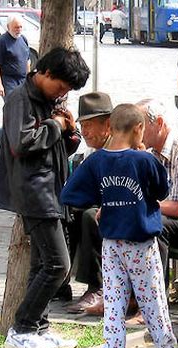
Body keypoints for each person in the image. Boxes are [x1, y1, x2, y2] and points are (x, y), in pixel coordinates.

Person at [60, 104, 178, 348]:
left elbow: (70, 193)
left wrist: (104, 200)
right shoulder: (144, 161)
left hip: (111, 244)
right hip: (141, 245)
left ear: (110, 128)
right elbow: (161, 191)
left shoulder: (97, 161)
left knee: (114, 306)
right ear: (138, 129)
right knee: (154, 303)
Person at [0, 47, 90, 348]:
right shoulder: (20, 98)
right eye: (61, 86)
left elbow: (59, 148)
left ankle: (39, 328)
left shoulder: (49, 100)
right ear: (44, 73)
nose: (63, 93)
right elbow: (22, 143)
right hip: (35, 192)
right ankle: (22, 328)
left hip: (52, 190)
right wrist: (56, 126)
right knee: (60, 265)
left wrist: (70, 131)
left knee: (42, 266)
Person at [65, 92, 114, 315]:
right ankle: (60, 279)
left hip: (122, 209)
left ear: (108, 124)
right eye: (82, 125)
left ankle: (98, 286)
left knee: (89, 216)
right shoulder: (91, 152)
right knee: (67, 211)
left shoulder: (120, 148)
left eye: (90, 125)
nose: (85, 131)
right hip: (101, 205)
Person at [134, 99, 178, 278]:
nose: (136, 132)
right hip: (171, 217)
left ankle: (154, 298)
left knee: (155, 224)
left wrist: (138, 206)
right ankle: (126, 294)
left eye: (140, 126)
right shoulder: (151, 153)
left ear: (159, 123)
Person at [0, 15, 30, 98]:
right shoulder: (1, 41)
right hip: (8, 81)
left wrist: (28, 78)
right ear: (8, 26)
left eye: (20, 27)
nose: (19, 30)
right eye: (16, 27)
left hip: (22, 80)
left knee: (24, 106)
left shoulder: (23, 39)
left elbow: (27, 60)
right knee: (12, 105)